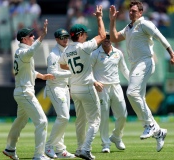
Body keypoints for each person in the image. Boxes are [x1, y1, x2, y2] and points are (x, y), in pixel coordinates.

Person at [109, 0, 174, 152]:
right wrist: (112, 20)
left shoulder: (144, 24)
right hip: (135, 66)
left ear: (141, 12)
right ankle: (159, 132)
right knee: (139, 98)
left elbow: (160, 37)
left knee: (131, 93)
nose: (131, 12)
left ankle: (149, 125)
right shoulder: (129, 27)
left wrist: (172, 55)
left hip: (146, 63)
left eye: (134, 11)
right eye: (130, 10)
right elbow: (114, 38)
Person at [3, 19, 55, 160]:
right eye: (31, 36)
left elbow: (28, 70)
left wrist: (42, 76)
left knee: (20, 121)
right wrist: (43, 35)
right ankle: (39, 155)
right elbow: (32, 50)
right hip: (25, 92)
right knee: (42, 121)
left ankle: (10, 148)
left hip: (21, 91)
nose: (33, 37)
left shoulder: (20, 52)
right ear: (24, 39)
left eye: (33, 35)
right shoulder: (24, 51)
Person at [58, 5, 106, 160]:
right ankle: (85, 149)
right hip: (86, 88)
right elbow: (102, 36)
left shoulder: (66, 50)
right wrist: (99, 17)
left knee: (80, 121)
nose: (86, 36)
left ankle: (79, 148)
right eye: (85, 34)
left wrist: (74, 70)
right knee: (95, 120)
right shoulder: (84, 47)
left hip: (74, 89)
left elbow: (61, 64)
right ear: (79, 35)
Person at [90, 31, 129, 153]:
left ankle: (116, 137)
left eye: (109, 37)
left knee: (123, 115)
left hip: (116, 86)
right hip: (102, 88)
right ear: (101, 39)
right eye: (105, 38)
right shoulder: (95, 53)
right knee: (104, 117)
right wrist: (94, 82)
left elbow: (124, 69)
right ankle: (105, 144)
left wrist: (133, 83)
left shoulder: (118, 53)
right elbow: (88, 70)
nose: (107, 39)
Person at [44, 28, 75, 159]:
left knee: (64, 119)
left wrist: (70, 87)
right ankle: (48, 146)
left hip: (64, 87)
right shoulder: (53, 55)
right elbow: (52, 74)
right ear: (57, 39)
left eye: (67, 37)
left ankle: (60, 149)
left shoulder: (67, 52)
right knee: (64, 117)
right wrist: (72, 73)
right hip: (54, 87)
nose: (65, 39)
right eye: (63, 37)